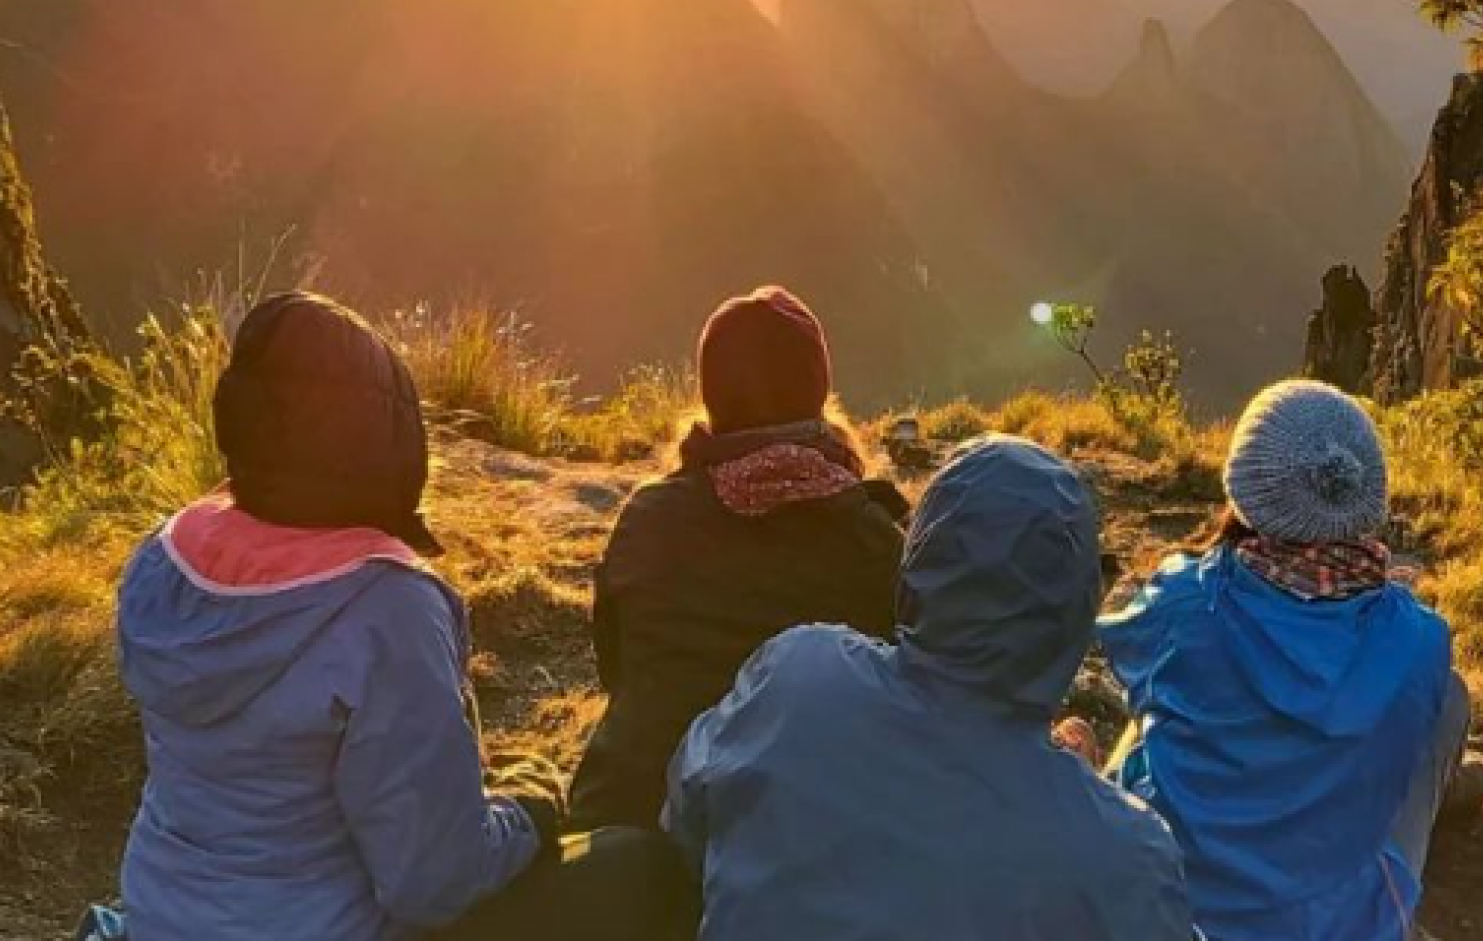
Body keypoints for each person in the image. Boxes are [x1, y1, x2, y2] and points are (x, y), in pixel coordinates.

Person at [114, 292, 684, 941]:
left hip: (162, 918)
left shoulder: (165, 561)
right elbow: (433, 885)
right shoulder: (389, 609)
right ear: (386, 444)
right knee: (634, 864)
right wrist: (530, 803)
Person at [663, 435, 1196, 941]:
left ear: (919, 559)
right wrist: (1072, 793)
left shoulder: (797, 677)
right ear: (1078, 608)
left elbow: (685, 815)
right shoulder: (1127, 859)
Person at [1099, 379, 1466, 941]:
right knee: (1450, 699)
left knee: (1157, 700)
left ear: (1245, 488)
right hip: (1343, 924)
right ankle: (1442, 788)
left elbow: (1119, 647)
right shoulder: (1419, 641)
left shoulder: (1181, 603)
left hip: (1177, 907)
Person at [569, 286, 907, 831]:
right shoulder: (874, 536)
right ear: (817, 392)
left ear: (711, 394)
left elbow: (617, 668)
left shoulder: (650, 518)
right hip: (805, 838)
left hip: (630, 816)